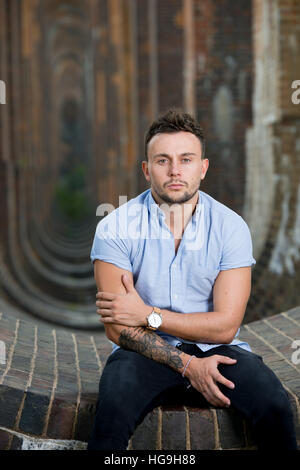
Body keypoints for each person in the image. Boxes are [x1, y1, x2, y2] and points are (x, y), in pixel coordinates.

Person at [87, 109, 297, 450]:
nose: (174, 171)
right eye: (162, 160)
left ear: (202, 167)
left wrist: (147, 315)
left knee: (275, 406)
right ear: (146, 169)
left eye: (186, 159)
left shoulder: (230, 227)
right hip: (142, 353)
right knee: (112, 411)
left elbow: (225, 326)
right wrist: (188, 365)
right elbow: (119, 329)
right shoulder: (115, 227)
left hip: (218, 350)